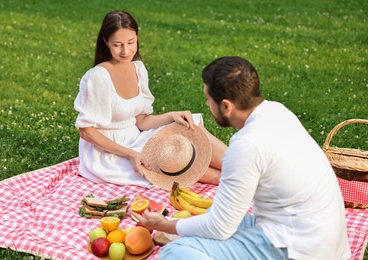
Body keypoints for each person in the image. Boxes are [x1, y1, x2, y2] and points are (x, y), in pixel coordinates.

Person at [131, 56, 351, 259]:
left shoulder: (246, 145)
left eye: (208, 99)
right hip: (322, 239)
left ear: (226, 106)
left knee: (175, 252)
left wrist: (166, 225)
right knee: (207, 216)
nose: (207, 106)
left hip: (298, 250)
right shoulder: (277, 111)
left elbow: (220, 228)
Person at [73, 10, 226, 188]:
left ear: (137, 37)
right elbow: (86, 131)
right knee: (176, 161)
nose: (126, 51)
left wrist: (172, 116)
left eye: (131, 42)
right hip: (109, 153)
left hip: (135, 137)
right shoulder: (98, 77)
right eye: (118, 44)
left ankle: (244, 167)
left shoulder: (138, 69)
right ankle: (237, 180)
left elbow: (142, 121)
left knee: (189, 129)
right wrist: (130, 154)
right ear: (106, 42)